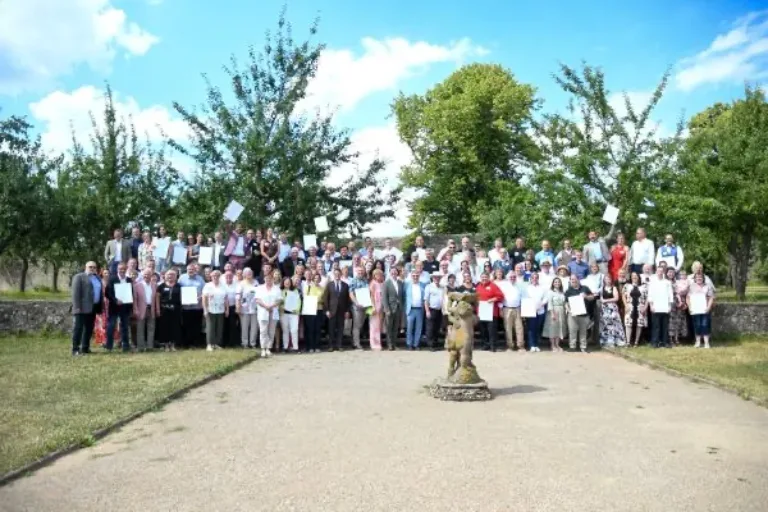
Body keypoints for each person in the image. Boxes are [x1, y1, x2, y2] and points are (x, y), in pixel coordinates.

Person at [70, 261, 102, 355]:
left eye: (94, 267)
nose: (92, 269)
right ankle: (75, 349)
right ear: (85, 267)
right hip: (81, 308)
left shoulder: (97, 278)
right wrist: (77, 307)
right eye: (90, 267)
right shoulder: (79, 277)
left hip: (93, 307)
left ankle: (85, 348)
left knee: (89, 328)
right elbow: (75, 294)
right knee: (78, 328)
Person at [105, 262, 133, 352]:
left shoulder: (129, 280)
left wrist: (130, 303)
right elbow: (107, 293)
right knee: (111, 326)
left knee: (125, 326)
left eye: (124, 269)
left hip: (125, 307)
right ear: (117, 269)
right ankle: (109, 345)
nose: (122, 270)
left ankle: (125, 345)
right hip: (114, 307)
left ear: (126, 269)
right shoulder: (112, 279)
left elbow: (131, 293)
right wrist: (115, 300)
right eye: (120, 269)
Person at [321, 268, 351, 351]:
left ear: (341, 274)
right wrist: (326, 310)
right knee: (331, 329)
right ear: (333, 275)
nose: (337, 275)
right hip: (331, 311)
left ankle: (339, 345)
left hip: (342, 311)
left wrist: (347, 311)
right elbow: (325, 298)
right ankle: (330, 346)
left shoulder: (345, 285)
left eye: (338, 274)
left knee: (341, 328)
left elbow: (348, 300)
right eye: (335, 274)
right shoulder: (329, 285)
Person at [475, 272, 504, 352]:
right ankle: (485, 345)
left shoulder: (493, 286)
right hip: (481, 312)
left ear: (488, 278)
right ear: (480, 278)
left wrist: (493, 299)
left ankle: (493, 346)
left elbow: (501, 296)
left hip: (491, 313)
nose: (484, 279)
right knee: (483, 330)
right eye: (482, 277)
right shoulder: (478, 287)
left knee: (492, 330)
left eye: (485, 277)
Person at [565, 274, 595, 353]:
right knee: (572, 331)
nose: (573, 281)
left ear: (578, 279)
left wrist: (586, 296)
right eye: (572, 279)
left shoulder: (585, 288)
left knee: (583, 331)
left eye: (575, 279)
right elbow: (566, 303)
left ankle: (583, 347)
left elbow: (592, 297)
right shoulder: (568, 291)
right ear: (570, 281)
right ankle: (572, 346)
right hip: (573, 314)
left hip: (584, 314)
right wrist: (569, 310)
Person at [255, 272, 282, 357]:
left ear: (272, 279)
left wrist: (271, 306)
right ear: (264, 279)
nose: (268, 280)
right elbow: (257, 300)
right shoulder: (260, 288)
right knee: (263, 331)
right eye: (266, 279)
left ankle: (268, 348)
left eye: (270, 279)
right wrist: (266, 306)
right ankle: (263, 348)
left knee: (271, 331)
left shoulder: (277, 289)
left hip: (273, 312)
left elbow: (279, 300)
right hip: (263, 312)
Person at [178, 263, 205, 348]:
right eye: (189, 269)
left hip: (197, 307)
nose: (191, 271)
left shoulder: (200, 279)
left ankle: (195, 343)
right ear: (186, 270)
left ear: (195, 270)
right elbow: (178, 290)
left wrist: (199, 297)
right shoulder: (182, 278)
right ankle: (186, 344)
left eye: (192, 269)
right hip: (186, 307)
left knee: (196, 326)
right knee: (186, 325)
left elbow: (204, 291)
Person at [202, 270, 228, 351]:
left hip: (221, 309)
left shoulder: (223, 286)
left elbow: (226, 298)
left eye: (217, 275)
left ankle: (217, 344)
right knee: (210, 327)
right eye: (214, 276)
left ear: (219, 277)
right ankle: (209, 344)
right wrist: (205, 309)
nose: (215, 277)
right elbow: (204, 298)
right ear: (211, 277)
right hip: (210, 309)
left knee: (219, 327)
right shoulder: (208, 285)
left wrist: (227, 309)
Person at [648, 266, 674, 348]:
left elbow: (670, 294)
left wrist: (670, 306)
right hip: (655, 307)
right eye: (658, 271)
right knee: (656, 326)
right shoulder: (652, 282)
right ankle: (655, 342)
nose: (660, 272)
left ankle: (665, 342)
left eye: (661, 271)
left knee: (665, 326)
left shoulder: (667, 282)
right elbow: (650, 294)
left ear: (663, 272)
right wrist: (651, 305)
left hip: (665, 307)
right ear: (656, 272)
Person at [498, 272, 524, 351]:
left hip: (518, 308)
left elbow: (523, 298)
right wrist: (500, 309)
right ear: (507, 278)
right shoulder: (503, 286)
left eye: (514, 277)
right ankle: (510, 346)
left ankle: (521, 346)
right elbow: (500, 298)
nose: (512, 278)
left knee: (519, 328)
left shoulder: (520, 286)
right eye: (511, 277)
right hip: (507, 309)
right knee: (508, 328)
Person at [133, 268, 158, 351]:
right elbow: (135, 299)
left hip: (151, 309)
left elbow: (156, 299)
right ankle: (140, 347)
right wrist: (135, 309)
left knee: (151, 328)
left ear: (151, 275)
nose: (146, 276)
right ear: (142, 275)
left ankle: (150, 346)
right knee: (140, 328)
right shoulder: (137, 286)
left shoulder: (154, 285)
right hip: (141, 309)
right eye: (145, 275)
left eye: (148, 274)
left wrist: (157, 309)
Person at [156, 269, 182, 351]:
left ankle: (173, 344)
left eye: (172, 275)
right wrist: (158, 309)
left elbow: (183, 297)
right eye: (168, 275)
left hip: (176, 309)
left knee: (175, 327)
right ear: (165, 276)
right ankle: (166, 345)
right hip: (164, 309)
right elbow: (157, 298)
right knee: (164, 327)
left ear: (176, 277)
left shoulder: (179, 286)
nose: (170, 276)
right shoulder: (161, 286)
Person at [687, 273, 715, 349]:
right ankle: (698, 342)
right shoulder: (691, 287)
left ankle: (706, 343)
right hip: (695, 310)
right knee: (697, 325)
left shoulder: (707, 286)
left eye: (700, 277)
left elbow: (711, 297)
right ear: (695, 279)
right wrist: (690, 307)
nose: (699, 278)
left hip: (705, 309)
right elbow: (688, 298)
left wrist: (708, 307)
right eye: (697, 277)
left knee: (705, 325)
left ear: (703, 278)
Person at [599, 274, 626, 347]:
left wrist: (606, 300)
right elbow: (601, 299)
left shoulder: (614, 288)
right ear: (604, 280)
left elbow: (616, 298)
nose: (608, 280)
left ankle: (617, 341)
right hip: (604, 309)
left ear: (611, 280)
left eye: (609, 279)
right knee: (606, 325)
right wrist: (604, 301)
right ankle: (606, 341)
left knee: (614, 325)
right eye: (606, 279)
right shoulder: (602, 288)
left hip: (612, 308)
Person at [622, 272, 648, 347]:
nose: (634, 277)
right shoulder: (627, 286)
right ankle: (628, 342)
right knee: (628, 323)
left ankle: (636, 342)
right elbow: (623, 295)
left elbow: (647, 298)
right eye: (632, 276)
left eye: (636, 276)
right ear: (630, 277)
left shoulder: (644, 287)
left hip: (640, 307)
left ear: (639, 277)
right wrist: (625, 305)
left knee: (639, 324)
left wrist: (645, 307)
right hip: (630, 306)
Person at [523, 272, 547, 352]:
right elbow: (525, 298)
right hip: (530, 311)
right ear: (531, 278)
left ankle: (536, 345)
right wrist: (531, 307)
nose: (534, 279)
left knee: (538, 328)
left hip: (540, 310)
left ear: (538, 278)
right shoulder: (527, 288)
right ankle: (531, 345)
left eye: (536, 277)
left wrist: (541, 304)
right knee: (531, 328)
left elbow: (545, 298)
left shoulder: (542, 288)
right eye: (533, 277)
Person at [403, 270, 427, 350]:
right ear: (411, 276)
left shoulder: (423, 285)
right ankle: (409, 344)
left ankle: (416, 344)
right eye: (414, 276)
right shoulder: (407, 285)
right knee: (409, 328)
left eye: (417, 275)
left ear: (419, 276)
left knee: (418, 328)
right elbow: (403, 296)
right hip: (410, 309)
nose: (415, 277)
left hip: (420, 309)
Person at [236, 268, 259, 349]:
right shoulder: (241, 284)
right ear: (244, 274)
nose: (249, 274)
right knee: (244, 327)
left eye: (250, 272)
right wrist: (238, 307)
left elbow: (259, 294)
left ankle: (253, 343)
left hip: (254, 308)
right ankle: (245, 343)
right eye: (247, 273)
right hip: (244, 308)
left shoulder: (256, 282)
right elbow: (238, 296)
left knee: (254, 327)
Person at [382, 267, 404, 351]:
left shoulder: (400, 283)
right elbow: (384, 297)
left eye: (395, 271)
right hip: (390, 308)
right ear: (390, 273)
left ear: (397, 273)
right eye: (392, 272)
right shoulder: (386, 283)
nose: (394, 273)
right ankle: (389, 344)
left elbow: (402, 296)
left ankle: (394, 343)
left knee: (395, 328)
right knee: (389, 327)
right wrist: (386, 309)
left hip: (398, 308)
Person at [348, 266, 370, 350]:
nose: (360, 272)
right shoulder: (353, 281)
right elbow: (351, 293)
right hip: (356, 306)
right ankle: (356, 344)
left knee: (360, 325)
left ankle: (354, 341)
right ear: (356, 272)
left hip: (365, 305)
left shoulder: (365, 280)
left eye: (362, 271)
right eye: (359, 271)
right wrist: (356, 302)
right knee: (356, 325)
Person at [543, 277, 566, 352]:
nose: (557, 283)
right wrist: (552, 314)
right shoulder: (550, 292)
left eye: (558, 282)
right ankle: (552, 345)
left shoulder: (562, 292)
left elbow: (565, 303)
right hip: (553, 311)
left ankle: (557, 344)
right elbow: (550, 303)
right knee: (552, 328)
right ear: (553, 283)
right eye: (555, 282)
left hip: (561, 311)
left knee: (559, 328)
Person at [422, 271, 444, 351]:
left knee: (437, 327)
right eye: (435, 277)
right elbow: (426, 300)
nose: (437, 279)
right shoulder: (429, 287)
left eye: (438, 277)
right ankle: (430, 345)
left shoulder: (442, 287)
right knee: (430, 328)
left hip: (439, 310)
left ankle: (435, 343)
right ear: (433, 278)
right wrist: (427, 311)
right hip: (431, 309)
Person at [304, 272, 325, 353]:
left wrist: (319, 300)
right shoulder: (309, 287)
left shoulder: (322, 288)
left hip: (319, 309)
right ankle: (310, 347)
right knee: (310, 329)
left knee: (317, 329)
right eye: (315, 278)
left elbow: (324, 299)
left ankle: (317, 346)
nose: (316, 279)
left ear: (320, 279)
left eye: (318, 278)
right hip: (310, 310)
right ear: (313, 279)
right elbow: (306, 298)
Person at [668, 267, 689, 345]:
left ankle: (676, 338)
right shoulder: (665, 281)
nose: (671, 274)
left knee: (678, 321)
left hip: (679, 302)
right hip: (669, 303)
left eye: (672, 272)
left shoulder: (677, 282)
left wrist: (683, 302)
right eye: (669, 272)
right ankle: (670, 339)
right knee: (671, 321)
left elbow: (683, 293)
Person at [280, 276, 301, 352]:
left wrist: (297, 310)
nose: (287, 283)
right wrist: (281, 307)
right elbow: (278, 302)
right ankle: (285, 347)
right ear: (283, 283)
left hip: (294, 313)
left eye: (289, 282)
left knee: (294, 330)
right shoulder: (280, 291)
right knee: (285, 331)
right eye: (286, 282)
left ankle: (296, 347)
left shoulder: (295, 290)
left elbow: (298, 301)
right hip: (284, 314)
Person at [222, 269, 240, 347]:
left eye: (230, 276)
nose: (229, 277)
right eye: (227, 276)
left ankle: (232, 343)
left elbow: (238, 296)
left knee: (233, 325)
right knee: (224, 325)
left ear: (233, 277)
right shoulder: (222, 285)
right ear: (224, 277)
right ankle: (224, 342)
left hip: (233, 307)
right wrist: (226, 309)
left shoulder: (236, 285)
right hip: (223, 308)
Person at [369, 269, 385, 351]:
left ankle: (379, 343)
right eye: (377, 274)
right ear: (374, 275)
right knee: (374, 326)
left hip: (381, 306)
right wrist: (373, 306)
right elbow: (371, 296)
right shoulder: (373, 283)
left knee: (379, 326)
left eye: (380, 274)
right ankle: (374, 344)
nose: (379, 276)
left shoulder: (382, 283)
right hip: (375, 306)